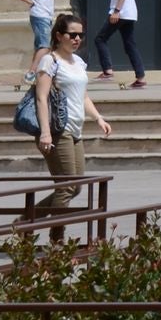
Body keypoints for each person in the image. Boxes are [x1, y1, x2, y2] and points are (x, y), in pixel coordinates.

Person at [30, 14, 111, 240]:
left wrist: (98, 118)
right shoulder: (50, 61)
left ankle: (26, 221)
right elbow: (41, 97)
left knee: (75, 187)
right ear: (59, 35)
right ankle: (57, 241)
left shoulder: (78, 62)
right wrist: (45, 132)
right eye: (72, 34)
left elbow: (83, 96)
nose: (77, 39)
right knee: (66, 187)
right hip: (57, 130)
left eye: (81, 35)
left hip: (76, 129)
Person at [89, 0, 146, 88]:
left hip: (121, 12)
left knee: (100, 39)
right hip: (130, 13)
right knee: (129, 44)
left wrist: (116, 10)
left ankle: (107, 71)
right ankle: (141, 77)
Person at [6, 0, 65, 84]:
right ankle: (31, 73)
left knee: (41, 46)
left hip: (49, 14)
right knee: (45, 45)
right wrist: (27, 1)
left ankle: (39, 74)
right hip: (38, 14)